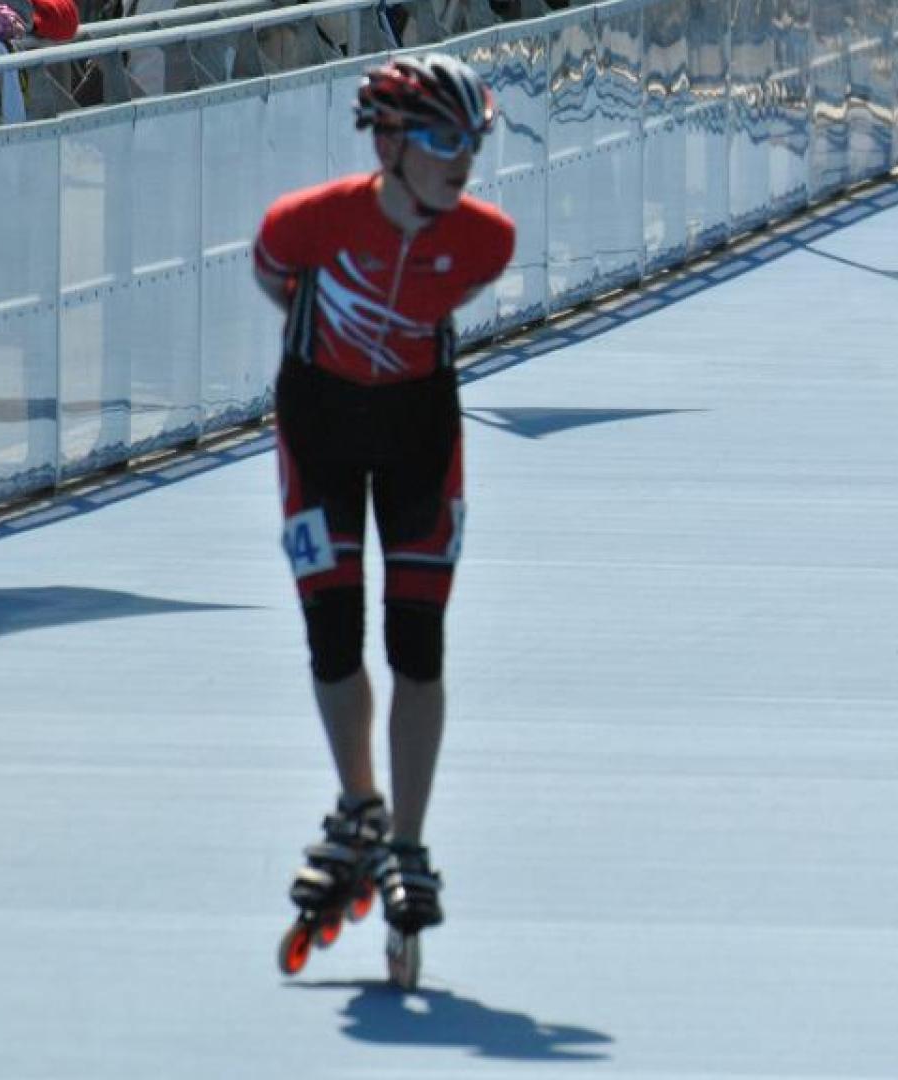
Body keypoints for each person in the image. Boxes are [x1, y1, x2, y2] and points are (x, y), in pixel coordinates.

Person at [253, 52, 513, 984]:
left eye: (472, 140)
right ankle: (360, 803)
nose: (462, 160)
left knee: (417, 645)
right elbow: (277, 281)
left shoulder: (487, 240)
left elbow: (449, 292)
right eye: (442, 139)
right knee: (331, 636)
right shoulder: (305, 222)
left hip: (417, 435)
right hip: (318, 432)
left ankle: (405, 839)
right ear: (390, 142)